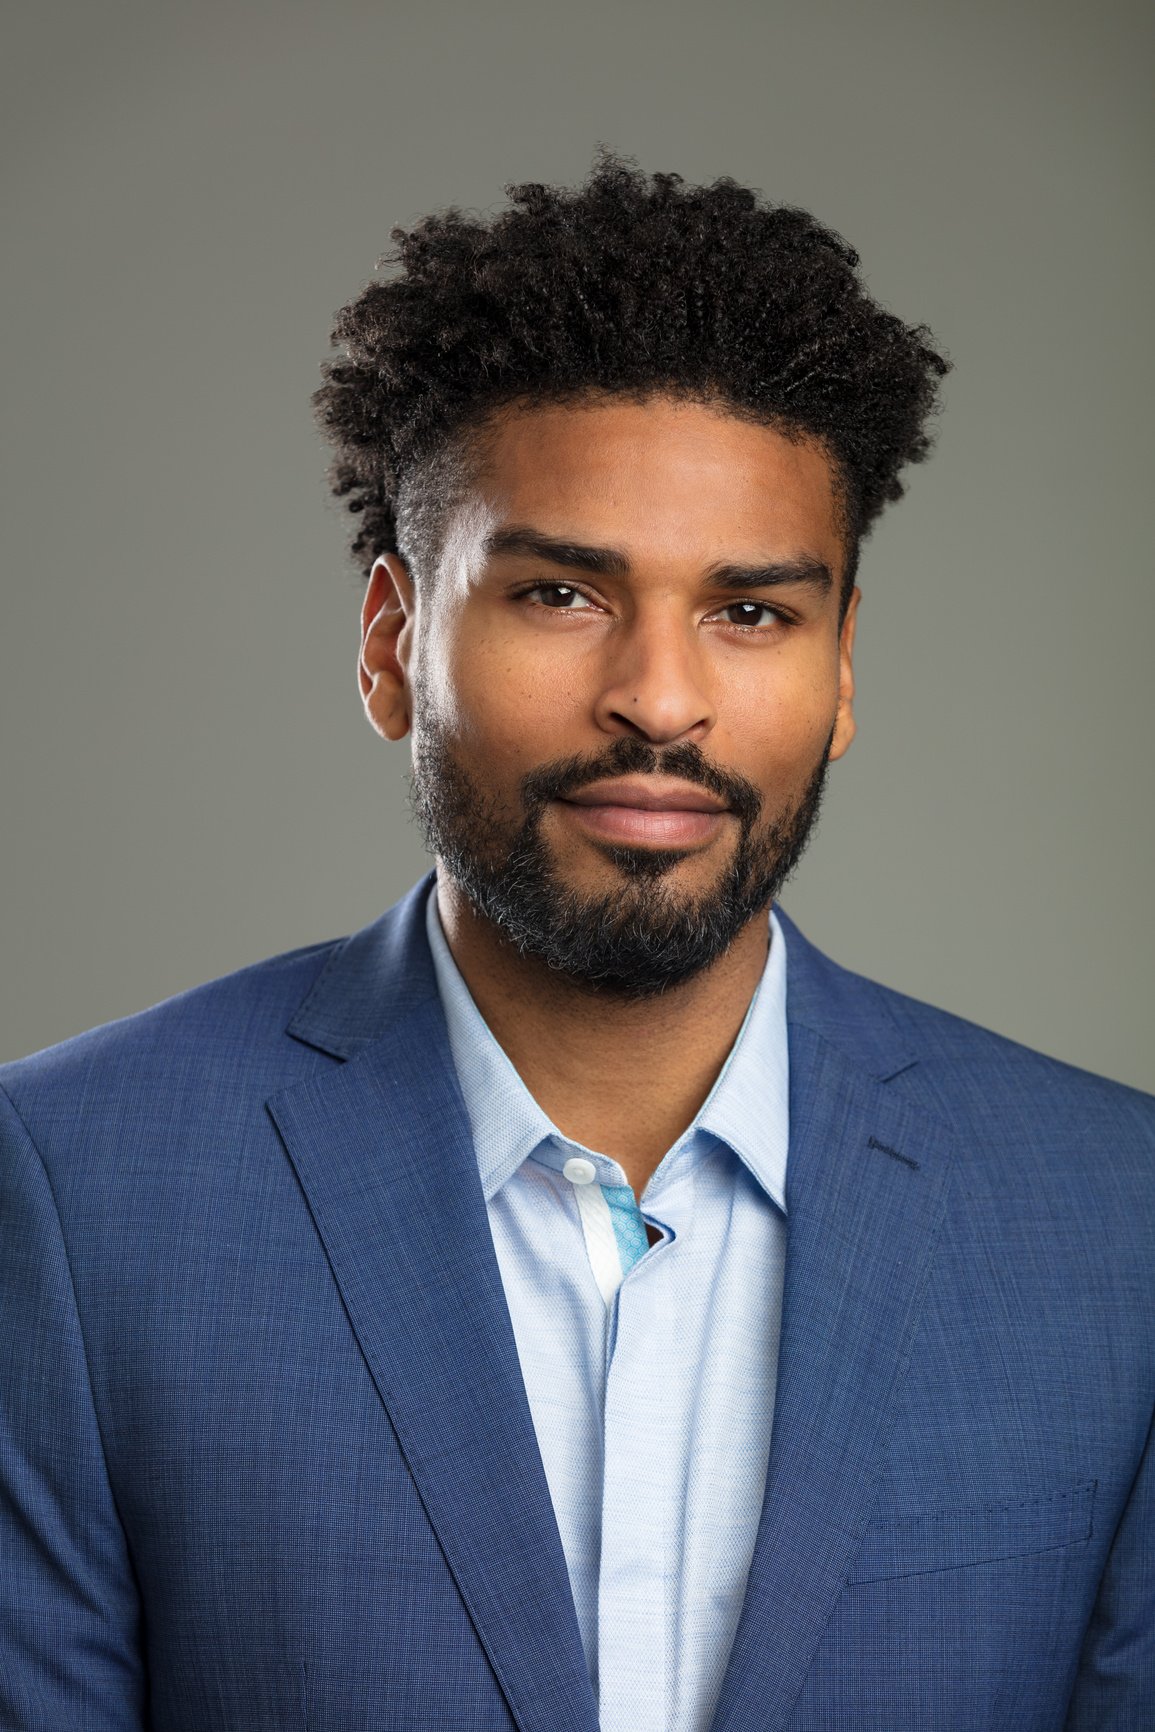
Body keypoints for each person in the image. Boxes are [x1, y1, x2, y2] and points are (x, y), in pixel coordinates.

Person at [1, 155, 1151, 1732]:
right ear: (395, 646)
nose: (662, 700)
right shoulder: (74, 1192)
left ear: (844, 665)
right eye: (559, 592)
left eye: (751, 612)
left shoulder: (1118, 1228)